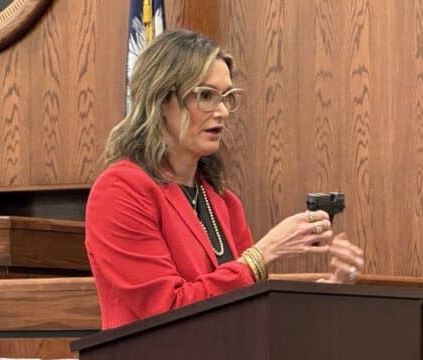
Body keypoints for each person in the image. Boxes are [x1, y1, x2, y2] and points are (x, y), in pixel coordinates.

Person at [86, 29, 365, 329]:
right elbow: (166, 309)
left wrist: (328, 289)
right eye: (206, 96)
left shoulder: (222, 200)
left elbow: (251, 310)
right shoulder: (121, 190)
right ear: (162, 101)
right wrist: (264, 253)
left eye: (227, 98)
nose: (221, 112)